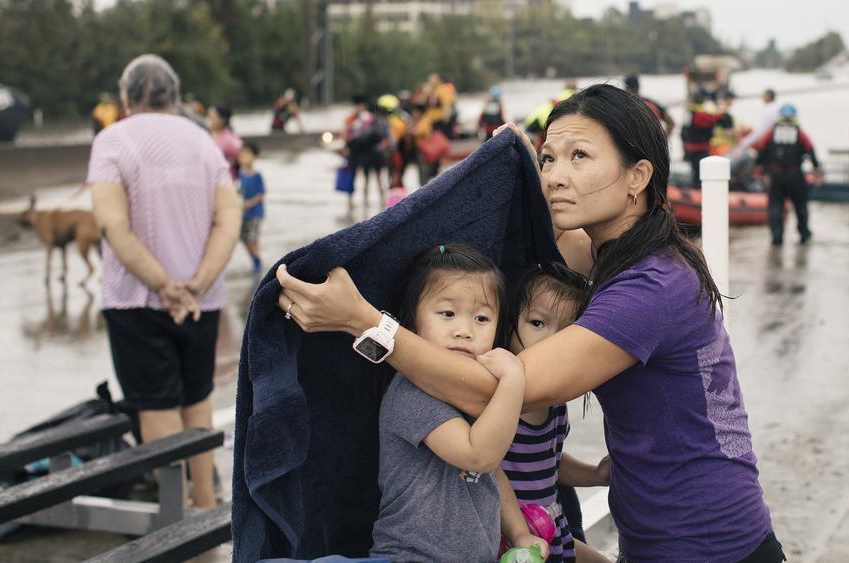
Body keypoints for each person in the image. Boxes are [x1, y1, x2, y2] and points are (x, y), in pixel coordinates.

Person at [276, 84, 784, 562]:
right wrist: (511, 166)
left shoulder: (652, 286)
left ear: (638, 176)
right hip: (662, 537)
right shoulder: (615, 254)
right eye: (548, 159)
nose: (556, 175)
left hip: (712, 544)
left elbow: (498, 393)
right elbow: (527, 252)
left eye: (579, 156)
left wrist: (365, 323)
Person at [88, 54, 242, 508]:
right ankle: (206, 503)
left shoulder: (112, 142)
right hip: (202, 300)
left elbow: (114, 227)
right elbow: (228, 220)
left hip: (136, 300)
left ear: (126, 96)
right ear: (175, 96)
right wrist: (195, 283)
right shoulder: (203, 143)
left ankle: (174, 519)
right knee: (197, 399)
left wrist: (162, 284)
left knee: (156, 407)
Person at [367, 243, 544, 563]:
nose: (464, 331)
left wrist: (520, 533)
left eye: (481, 317)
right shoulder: (412, 393)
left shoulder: (468, 394)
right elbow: (478, 456)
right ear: (412, 321)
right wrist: (513, 380)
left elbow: (491, 475)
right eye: (447, 313)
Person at [497, 263, 613, 563]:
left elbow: (551, 463)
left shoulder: (556, 405)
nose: (551, 340)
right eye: (537, 323)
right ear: (510, 325)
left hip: (552, 531)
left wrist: (595, 475)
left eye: (567, 332)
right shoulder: (497, 402)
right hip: (512, 541)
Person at [752, 104, 822, 245]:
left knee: (775, 208)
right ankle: (804, 235)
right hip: (795, 175)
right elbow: (810, 150)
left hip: (776, 176)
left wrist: (761, 170)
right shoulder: (800, 133)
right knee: (801, 207)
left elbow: (761, 151)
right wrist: (816, 169)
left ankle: (777, 238)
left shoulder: (771, 133)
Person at [343, 94, 388, 210]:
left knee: (378, 178)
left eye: (362, 106)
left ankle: (383, 203)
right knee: (360, 178)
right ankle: (360, 203)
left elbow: (383, 135)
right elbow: (346, 134)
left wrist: (382, 147)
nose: (360, 108)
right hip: (359, 152)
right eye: (358, 106)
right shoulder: (351, 119)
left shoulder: (372, 118)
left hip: (372, 153)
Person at [237, 142, 265, 275]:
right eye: (242, 154)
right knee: (244, 237)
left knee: (252, 238)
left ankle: (258, 261)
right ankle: (255, 259)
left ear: (254, 157)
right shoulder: (240, 175)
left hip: (255, 213)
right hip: (244, 213)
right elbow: (239, 191)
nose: (244, 157)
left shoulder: (257, 175)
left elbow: (261, 195)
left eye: (247, 154)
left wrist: (249, 203)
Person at [207, 104, 243, 179]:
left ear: (223, 119)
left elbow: (242, 159)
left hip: (226, 180)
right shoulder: (205, 136)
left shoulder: (230, 140)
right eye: (208, 116)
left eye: (212, 117)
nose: (209, 120)